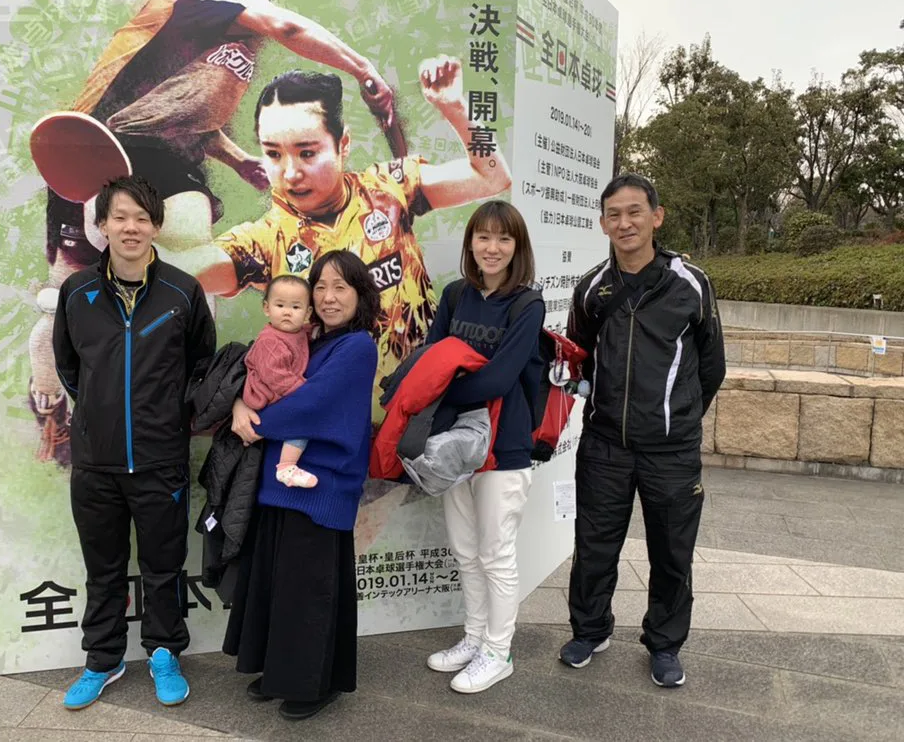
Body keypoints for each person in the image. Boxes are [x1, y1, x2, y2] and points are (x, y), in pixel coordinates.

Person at [29, 0, 395, 464]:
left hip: (169, 164)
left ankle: (160, 412)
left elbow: (181, 109)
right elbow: (289, 27)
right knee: (61, 305)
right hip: (103, 155)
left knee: (184, 288)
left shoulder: (233, 17)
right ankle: (50, 405)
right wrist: (363, 68)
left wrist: (238, 160)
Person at [186, 56, 512, 420]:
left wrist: (454, 106)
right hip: (330, 428)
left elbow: (492, 177)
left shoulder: (391, 189)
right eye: (273, 154)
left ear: (342, 144)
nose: (290, 173)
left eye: (307, 153)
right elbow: (187, 271)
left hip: (419, 414)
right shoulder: (263, 241)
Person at [52, 176, 216, 710]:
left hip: (159, 459)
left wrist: (165, 417)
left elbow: (200, 367)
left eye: (141, 217)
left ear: (156, 226)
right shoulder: (77, 292)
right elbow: (69, 367)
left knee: (163, 567)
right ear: (102, 224)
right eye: (120, 217)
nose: (131, 227)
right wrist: (100, 414)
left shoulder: (182, 292)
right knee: (102, 570)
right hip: (95, 463)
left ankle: (164, 652)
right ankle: (103, 659)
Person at [561, 173, 725, 688]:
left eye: (635, 212)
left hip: (672, 452)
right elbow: (578, 356)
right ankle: (590, 630)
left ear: (657, 216)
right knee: (594, 545)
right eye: (614, 214)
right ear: (602, 223)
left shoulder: (690, 283)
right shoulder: (592, 287)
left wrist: (677, 418)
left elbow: (712, 367)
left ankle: (664, 644)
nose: (624, 223)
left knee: (672, 552)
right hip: (605, 444)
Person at [222, 250, 379, 721]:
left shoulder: (357, 346)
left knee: (309, 590)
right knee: (279, 584)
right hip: (282, 481)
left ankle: (313, 683)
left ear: (360, 295)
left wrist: (255, 422)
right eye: (321, 287)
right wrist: (239, 406)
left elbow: (312, 404)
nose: (329, 297)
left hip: (322, 485)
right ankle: (278, 670)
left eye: (341, 287)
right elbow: (261, 380)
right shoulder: (309, 341)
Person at [423, 200, 545, 694]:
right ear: (470, 242)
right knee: (466, 551)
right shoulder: (455, 295)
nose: (492, 248)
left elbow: (499, 378)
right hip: (454, 444)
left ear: (518, 247)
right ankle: (474, 638)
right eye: (483, 237)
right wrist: (436, 386)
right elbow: (430, 358)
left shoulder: (527, 304)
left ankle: (499, 651)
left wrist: (442, 390)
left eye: (504, 238)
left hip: (505, 446)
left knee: (495, 555)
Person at [242, 274, 316, 488]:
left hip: (276, 395)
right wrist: (304, 390)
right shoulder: (270, 340)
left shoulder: (296, 332)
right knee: (302, 421)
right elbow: (276, 376)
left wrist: (314, 330)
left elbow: (302, 335)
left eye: (295, 307)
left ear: (307, 313)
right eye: (280, 305)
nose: (287, 312)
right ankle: (286, 467)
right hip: (265, 397)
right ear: (267, 308)